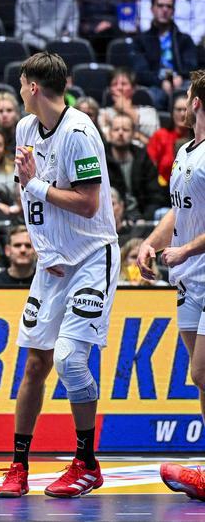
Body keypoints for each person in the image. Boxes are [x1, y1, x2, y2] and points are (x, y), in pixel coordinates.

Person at [0, 51, 119, 498]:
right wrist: (41, 243)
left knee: (69, 358)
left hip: (91, 257)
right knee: (34, 363)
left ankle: (86, 463)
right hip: (51, 263)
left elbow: (87, 203)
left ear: (32, 87)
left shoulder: (80, 132)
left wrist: (34, 185)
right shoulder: (25, 129)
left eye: (20, 85)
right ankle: (18, 466)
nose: (19, 92)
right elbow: (26, 191)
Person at [139, 74, 205, 499]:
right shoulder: (184, 151)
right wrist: (152, 242)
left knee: (202, 371)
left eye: (187, 97)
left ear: (197, 102)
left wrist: (185, 250)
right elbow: (178, 212)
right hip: (188, 280)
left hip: (199, 265)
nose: (182, 104)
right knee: (203, 381)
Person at [131, 0, 198, 109]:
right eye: (160, 5)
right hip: (154, 86)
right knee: (148, 96)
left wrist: (180, 77)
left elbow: (192, 65)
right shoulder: (140, 40)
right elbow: (140, 71)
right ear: (152, 9)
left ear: (173, 11)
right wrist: (160, 82)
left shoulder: (184, 39)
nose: (165, 9)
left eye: (169, 6)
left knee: (193, 94)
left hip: (182, 84)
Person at [106, 112, 169, 219]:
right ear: (110, 133)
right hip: (111, 217)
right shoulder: (101, 158)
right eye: (116, 129)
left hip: (142, 217)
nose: (120, 133)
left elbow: (155, 195)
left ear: (133, 134)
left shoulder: (143, 157)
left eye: (125, 130)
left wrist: (145, 218)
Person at [98, 67, 160, 145]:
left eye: (124, 84)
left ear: (134, 88)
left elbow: (156, 139)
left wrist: (127, 110)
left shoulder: (149, 112)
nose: (119, 88)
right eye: (114, 84)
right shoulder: (103, 113)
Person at [147, 93, 191, 185]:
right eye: (178, 109)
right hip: (162, 187)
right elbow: (150, 168)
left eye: (185, 110)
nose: (182, 114)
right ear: (172, 112)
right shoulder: (160, 135)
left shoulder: (197, 139)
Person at [0, 91, 22, 156]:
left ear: (17, 113)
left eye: (9, 110)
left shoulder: (25, 136)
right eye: (0, 111)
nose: (5, 115)